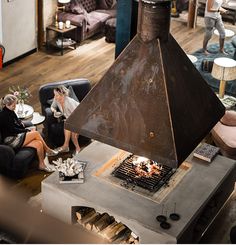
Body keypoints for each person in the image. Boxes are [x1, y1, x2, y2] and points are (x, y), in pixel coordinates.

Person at [0, 94, 58, 172]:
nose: (15, 107)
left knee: (38, 143)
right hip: (11, 140)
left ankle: (42, 165)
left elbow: (17, 122)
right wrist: (26, 130)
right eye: (13, 106)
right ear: (7, 105)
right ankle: (48, 150)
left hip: (17, 135)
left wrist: (22, 124)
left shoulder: (11, 111)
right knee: (36, 133)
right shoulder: (3, 115)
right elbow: (13, 130)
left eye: (15, 105)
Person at [50, 85, 81, 154]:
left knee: (73, 136)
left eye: (57, 95)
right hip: (70, 119)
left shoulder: (70, 102)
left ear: (63, 95)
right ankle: (66, 146)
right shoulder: (56, 99)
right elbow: (52, 107)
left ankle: (76, 148)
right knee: (67, 124)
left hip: (80, 117)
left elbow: (77, 115)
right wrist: (55, 111)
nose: (55, 97)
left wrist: (70, 122)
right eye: (54, 95)